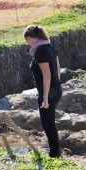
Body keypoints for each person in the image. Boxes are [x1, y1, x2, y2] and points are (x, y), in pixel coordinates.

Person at [23, 25, 62, 158]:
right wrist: (56, 87)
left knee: (48, 124)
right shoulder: (50, 46)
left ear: (29, 38)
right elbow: (57, 70)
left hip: (48, 92)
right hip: (55, 89)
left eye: (26, 41)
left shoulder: (40, 51)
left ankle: (54, 155)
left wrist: (45, 97)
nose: (27, 44)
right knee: (49, 122)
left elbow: (47, 75)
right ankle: (55, 152)